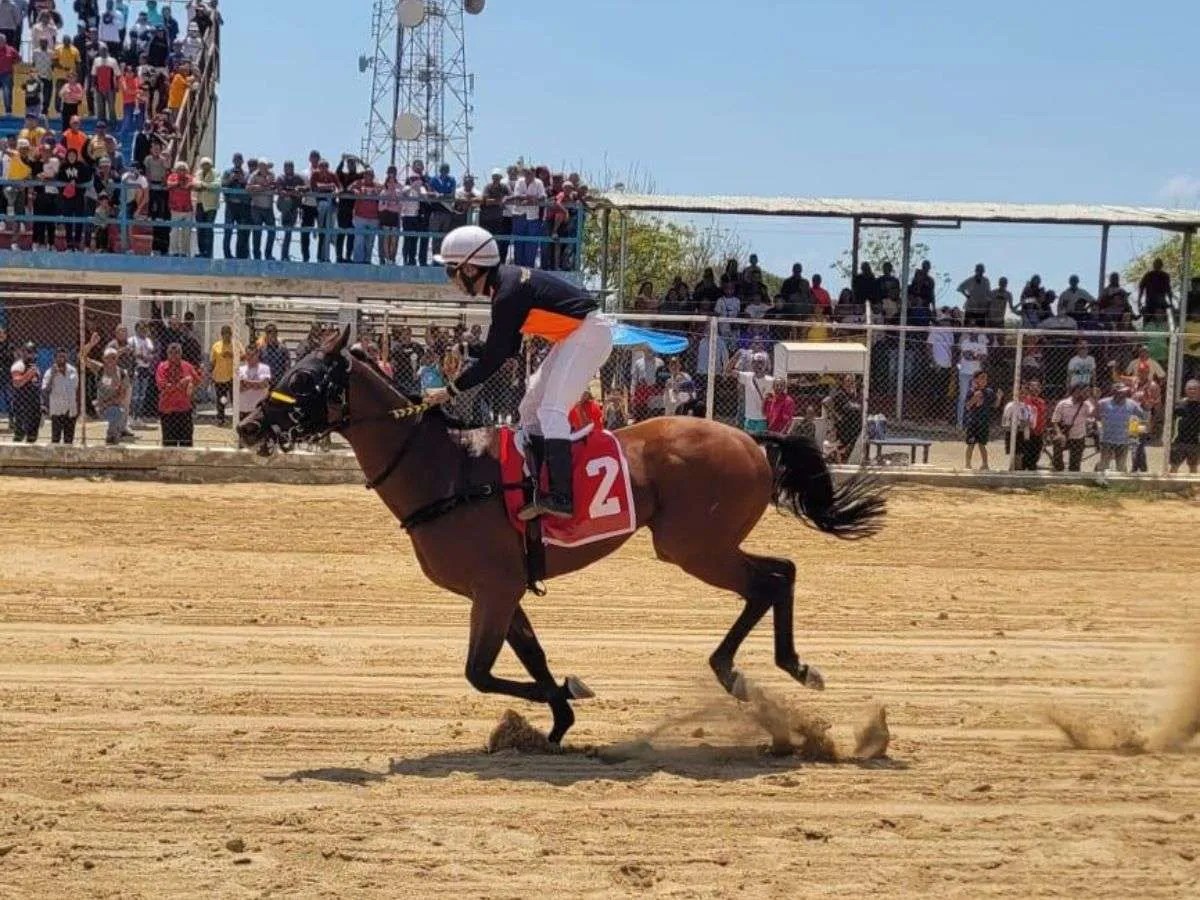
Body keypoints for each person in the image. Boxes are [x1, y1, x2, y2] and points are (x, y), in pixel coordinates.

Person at [424, 225, 613, 519]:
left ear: (471, 269)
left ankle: (562, 497)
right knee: (530, 408)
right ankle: (541, 488)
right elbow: (506, 350)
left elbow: (492, 362)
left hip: (588, 333)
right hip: (577, 335)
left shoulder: (506, 294)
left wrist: (449, 391)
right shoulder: (505, 286)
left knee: (551, 411)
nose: (451, 280)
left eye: (451, 271)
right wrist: (464, 351)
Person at [155, 342, 198, 447]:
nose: (174, 356)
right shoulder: (162, 367)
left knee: (186, 442)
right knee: (169, 443)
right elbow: (164, 387)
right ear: (167, 354)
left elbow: (197, 380)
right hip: (168, 410)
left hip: (184, 409)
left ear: (181, 354)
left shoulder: (187, 366)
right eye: (171, 353)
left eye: (177, 353)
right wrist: (181, 384)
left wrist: (191, 384)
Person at [1095, 383, 1145, 473]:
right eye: (1120, 392)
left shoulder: (1132, 403)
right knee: (1104, 463)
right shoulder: (1103, 403)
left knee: (1121, 465)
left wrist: (1137, 428)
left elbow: (1142, 415)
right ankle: (1100, 477)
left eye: (1124, 392)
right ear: (1114, 392)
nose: (1123, 394)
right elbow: (1096, 416)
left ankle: (1120, 481)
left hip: (1123, 439)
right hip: (1107, 439)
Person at [1049, 383, 1095, 473]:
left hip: (1078, 436)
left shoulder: (1086, 404)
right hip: (1064, 435)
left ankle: (1072, 480)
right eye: (1084, 392)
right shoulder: (1063, 404)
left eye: (1088, 392)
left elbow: (1093, 414)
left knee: (1075, 464)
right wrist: (1059, 434)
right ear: (1076, 392)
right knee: (1057, 459)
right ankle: (1058, 470)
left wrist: (1095, 399)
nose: (1086, 394)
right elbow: (1055, 421)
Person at [962, 370, 1001, 471]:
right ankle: (967, 464)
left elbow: (995, 405)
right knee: (971, 444)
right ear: (975, 379)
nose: (984, 380)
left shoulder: (989, 392)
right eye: (982, 378)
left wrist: (999, 398)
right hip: (973, 422)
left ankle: (985, 464)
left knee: (982, 444)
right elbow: (967, 406)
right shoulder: (971, 391)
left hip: (983, 422)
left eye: (985, 378)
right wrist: (975, 398)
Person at [41, 348, 79, 444]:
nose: (62, 358)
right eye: (59, 356)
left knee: (69, 440)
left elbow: (76, 389)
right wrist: (53, 376)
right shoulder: (49, 372)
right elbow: (45, 391)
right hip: (57, 410)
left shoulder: (73, 370)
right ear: (55, 358)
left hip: (71, 410)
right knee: (55, 439)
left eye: (64, 356)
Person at [236, 344, 271, 445]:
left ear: (258, 355)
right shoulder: (241, 369)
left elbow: (264, 384)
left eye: (252, 355)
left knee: (258, 439)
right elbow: (240, 388)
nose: (249, 357)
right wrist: (255, 384)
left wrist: (247, 382)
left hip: (257, 410)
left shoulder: (264, 368)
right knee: (243, 440)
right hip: (243, 409)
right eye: (247, 355)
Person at [9, 341, 41, 443]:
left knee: (32, 434)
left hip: (34, 404)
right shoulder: (19, 365)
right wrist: (29, 373)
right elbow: (17, 383)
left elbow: (37, 385)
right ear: (23, 352)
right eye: (28, 352)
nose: (30, 355)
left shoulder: (35, 366)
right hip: (22, 404)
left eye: (32, 352)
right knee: (20, 433)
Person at [209, 324, 237, 427]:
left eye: (228, 333)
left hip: (232, 377)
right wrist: (210, 375)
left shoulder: (236, 345)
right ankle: (221, 419)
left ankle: (236, 418)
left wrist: (233, 355)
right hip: (219, 377)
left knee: (235, 399)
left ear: (231, 334)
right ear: (221, 335)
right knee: (222, 399)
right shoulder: (216, 346)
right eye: (224, 333)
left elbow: (243, 356)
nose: (227, 335)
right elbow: (212, 362)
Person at [1169, 379, 1200, 475]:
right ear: (1186, 390)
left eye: (1195, 389)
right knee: (1174, 466)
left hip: (1195, 442)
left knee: (1193, 467)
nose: (1192, 391)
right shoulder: (1180, 404)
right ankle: (1171, 485)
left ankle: (1192, 487)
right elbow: (1171, 420)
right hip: (1179, 441)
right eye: (1190, 389)